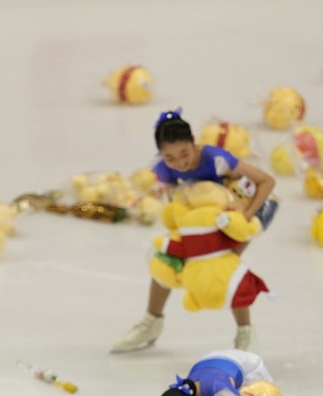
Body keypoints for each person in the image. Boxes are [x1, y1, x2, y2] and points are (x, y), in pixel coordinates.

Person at [111, 110, 277, 353]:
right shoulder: (164, 169)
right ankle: (151, 322)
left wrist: (246, 215)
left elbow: (267, 182)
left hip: (251, 209)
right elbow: (175, 203)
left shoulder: (216, 158)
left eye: (184, 153)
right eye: (170, 157)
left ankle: (245, 333)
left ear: (194, 143)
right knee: (166, 261)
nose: (180, 162)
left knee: (223, 266)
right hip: (208, 217)